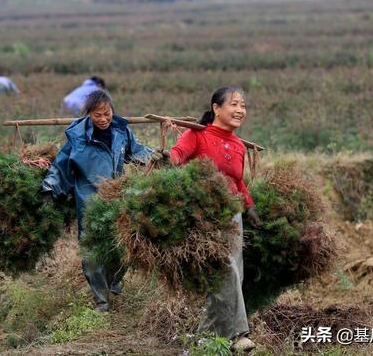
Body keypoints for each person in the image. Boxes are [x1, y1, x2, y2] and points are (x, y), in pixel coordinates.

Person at [165, 86, 260, 352]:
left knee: (232, 275)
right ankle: (240, 333)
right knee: (227, 269)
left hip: (233, 214)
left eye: (243, 105)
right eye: (234, 104)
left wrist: (249, 207)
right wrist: (167, 159)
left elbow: (238, 182)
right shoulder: (197, 134)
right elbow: (177, 154)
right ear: (216, 108)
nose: (240, 110)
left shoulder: (238, 144)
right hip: (206, 213)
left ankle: (205, 337)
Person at [42, 90, 154, 311]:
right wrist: (49, 189)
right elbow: (61, 166)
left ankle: (113, 282)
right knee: (93, 252)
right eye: (97, 115)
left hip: (117, 198)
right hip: (89, 200)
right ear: (88, 115)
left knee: (123, 247)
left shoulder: (122, 132)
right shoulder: (78, 138)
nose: (103, 119)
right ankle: (101, 301)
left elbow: (138, 152)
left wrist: (157, 157)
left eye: (107, 113)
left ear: (112, 110)